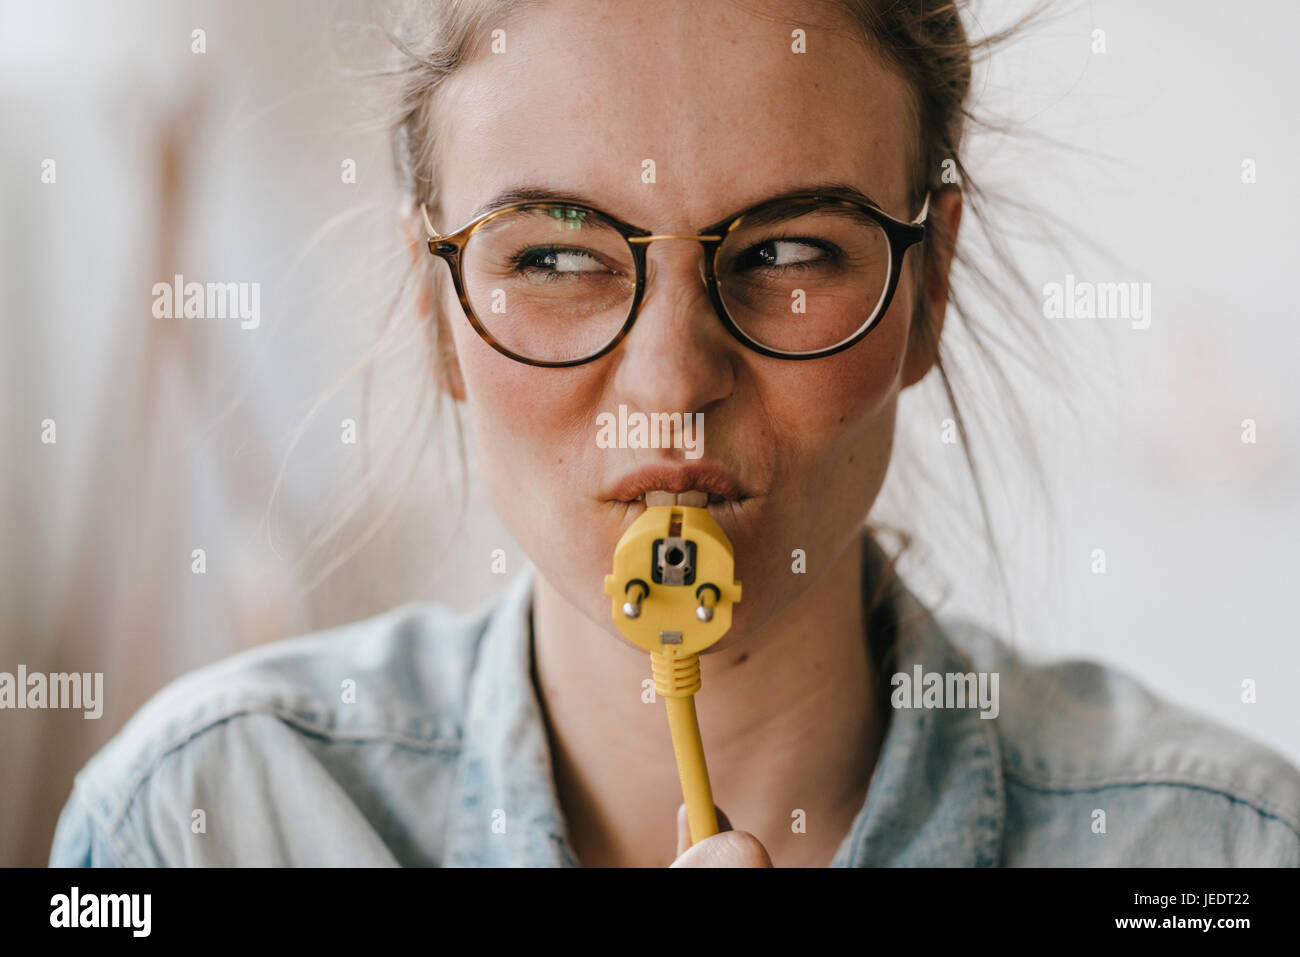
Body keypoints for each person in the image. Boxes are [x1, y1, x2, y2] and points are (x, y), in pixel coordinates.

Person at [50, 0, 1300, 868]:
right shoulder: (199, 821)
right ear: (438, 314)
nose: (671, 382)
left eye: (791, 252)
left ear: (929, 290)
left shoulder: (1217, 854)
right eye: (552, 256)